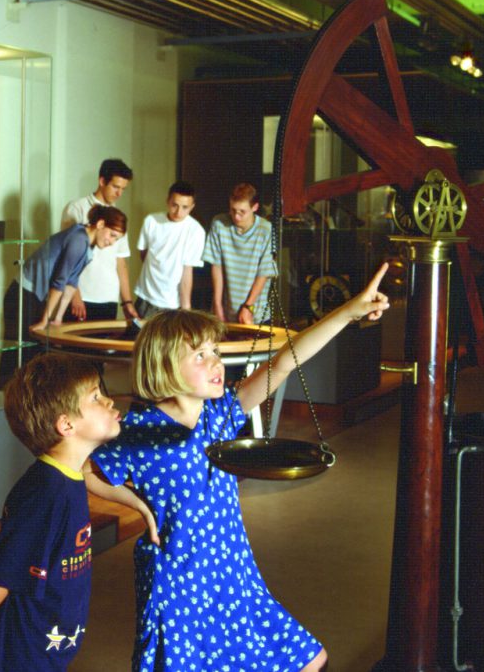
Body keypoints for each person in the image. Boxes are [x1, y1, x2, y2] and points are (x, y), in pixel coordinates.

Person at [84, 263, 391, 672]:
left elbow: (285, 362)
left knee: (309, 660)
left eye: (215, 351)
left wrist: (348, 312)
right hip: (179, 577)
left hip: (232, 568)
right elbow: (86, 469)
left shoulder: (221, 413)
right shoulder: (140, 431)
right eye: (200, 355)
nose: (216, 363)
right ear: (163, 364)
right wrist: (140, 508)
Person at [0, 352, 122, 670]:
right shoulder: (44, 494)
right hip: (21, 651)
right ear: (66, 424)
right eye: (96, 397)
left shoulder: (69, 477)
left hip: (47, 640)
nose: (109, 402)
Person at [0, 205, 126, 389]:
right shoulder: (78, 238)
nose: (112, 242)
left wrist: (57, 318)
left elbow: (71, 282)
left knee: (32, 355)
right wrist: (45, 319)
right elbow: (60, 280)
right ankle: (4, 402)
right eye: (112, 235)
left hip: (35, 297)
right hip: (23, 294)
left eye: (117, 239)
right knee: (17, 357)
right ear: (100, 224)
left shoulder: (88, 246)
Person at [60, 158, 138, 322]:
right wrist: (75, 296)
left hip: (108, 298)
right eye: (115, 187)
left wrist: (127, 302)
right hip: (82, 297)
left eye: (123, 189)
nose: (119, 193)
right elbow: (67, 257)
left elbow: (121, 262)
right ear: (102, 181)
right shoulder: (77, 207)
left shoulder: (118, 217)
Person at [204, 182, 278, 325]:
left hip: (255, 313)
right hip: (225, 312)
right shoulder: (219, 224)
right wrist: (217, 305)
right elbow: (216, 266)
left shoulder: (266, 229)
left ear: (255, 207)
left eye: (242, 212)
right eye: (233, 210)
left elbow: (264, 273)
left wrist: (248, 306)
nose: (236, 216)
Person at [133, 180, 205, 318]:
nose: (179, 212)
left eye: (185, 207)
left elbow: (187, 271)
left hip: (172, 303)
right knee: (139, 339)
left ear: (192, 207)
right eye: (175, 205)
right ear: (167, 201)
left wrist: (186, 309)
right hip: (145, 297)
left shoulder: (196, 231)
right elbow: (143, 254)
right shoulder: (151, 221)